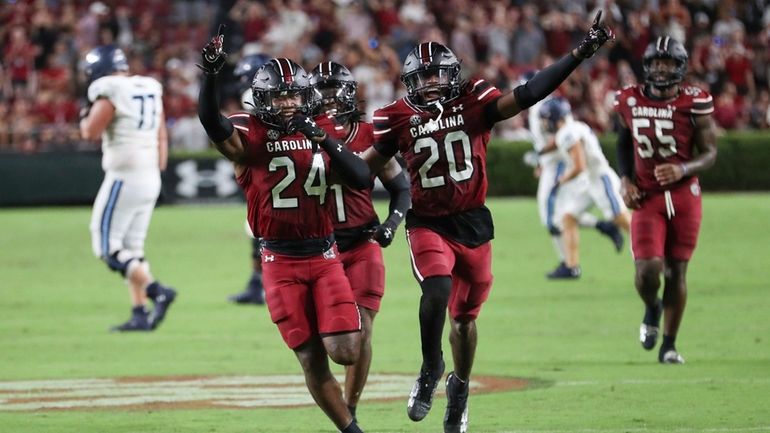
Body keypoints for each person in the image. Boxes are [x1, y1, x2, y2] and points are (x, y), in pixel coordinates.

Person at [360, 13, 613, 433]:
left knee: (463, 320)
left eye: (437, 76)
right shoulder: (395, 117)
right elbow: (366, 167)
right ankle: (430, 368)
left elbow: (529, 92)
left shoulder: (474, 99)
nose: (431, 85)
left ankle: (458, 389)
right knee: (437, 287)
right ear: (408, 83)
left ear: (454, 75)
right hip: (428, 222)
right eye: (422, 79)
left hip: (473, 222)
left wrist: (579, 53)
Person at [196, 31, 371, 433]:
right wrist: (209, 77)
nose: (288, 103)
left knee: (346, 350)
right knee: (311, 359)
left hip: (326, 256)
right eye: (279, 96)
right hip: (278, 260)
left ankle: (348, 411)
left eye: (294, 95)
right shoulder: (251, 132)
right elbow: (212, 122)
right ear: (262, 100)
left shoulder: (322, 126)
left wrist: (321, 136)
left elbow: (361, 177)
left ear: (306, 96)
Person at [310, 61, 411, 422]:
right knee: (324, 339)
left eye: (335, 90)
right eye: (322, 91)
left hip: (362, 240)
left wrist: (392, 224)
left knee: (363, 327)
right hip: (319, 249)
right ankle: (335, 399)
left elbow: (401, 188)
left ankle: (350, 408)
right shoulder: (302, 135)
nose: (330, 98)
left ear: (352, 93)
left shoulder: (369, 133)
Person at [614, 36, 717, 364]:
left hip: (685, 196)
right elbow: (623, 142)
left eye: (668, 63)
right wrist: (625, 179)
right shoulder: (628, 99)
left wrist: (683, 168)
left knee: (677, 272)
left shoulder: (695, 102)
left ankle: (669, 344)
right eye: (656, 63)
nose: (661, 69)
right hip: (647, 197)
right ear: (646, 66)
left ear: (680, 67)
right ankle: (652, 307)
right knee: (648, 270)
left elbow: (711, 152)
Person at [80, 45, 177, 332]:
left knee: (107, 247)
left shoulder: (111, 90)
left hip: (125, 175)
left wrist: (83, 116)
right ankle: (139, 312)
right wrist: (156, 171)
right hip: (149, 175)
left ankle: (157, 290)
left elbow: (90, 131)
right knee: (131, 248)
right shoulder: (147, 87)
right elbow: (161, 135)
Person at [521, 78, 624, 279]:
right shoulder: (567, 128)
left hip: (596, 178)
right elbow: (556, 144)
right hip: (588, 180)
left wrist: (562, 178)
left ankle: (651, 252)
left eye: (546, 119)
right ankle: (572, 263)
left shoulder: (566, 131)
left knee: (622, 220)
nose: (544, 123)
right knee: (566, 217)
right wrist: (540, 156)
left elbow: (579, 164)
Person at [227, 53, 270, 305]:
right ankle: (256, 284)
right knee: (256, 229)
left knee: (261, 229)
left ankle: (263, 286)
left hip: (268, 167)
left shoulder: (253, 96)